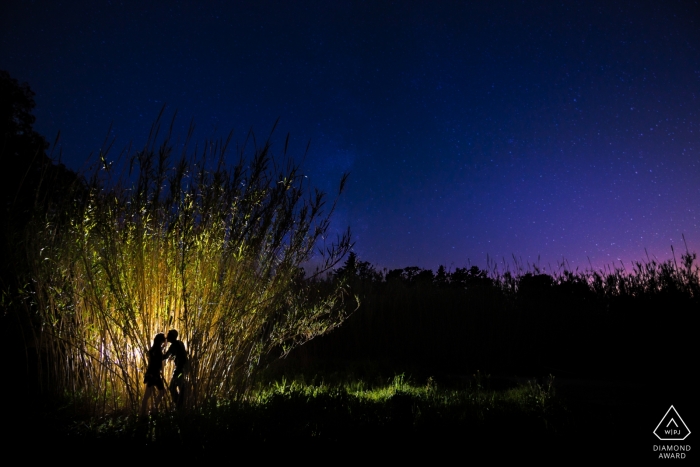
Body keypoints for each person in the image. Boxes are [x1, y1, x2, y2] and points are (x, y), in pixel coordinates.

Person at [140, 332, 166, 416]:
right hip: (154, 374)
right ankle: (151, 410)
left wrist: (162, 347)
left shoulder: (154, 349)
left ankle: (146, 411)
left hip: (152, 374)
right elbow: (156, 361)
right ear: (160, 341)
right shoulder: (157, 350)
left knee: (148, 394)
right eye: (163, 339)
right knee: (159, 392)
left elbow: (153, 356)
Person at [163, 329, 188, 409]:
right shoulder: (180, 343)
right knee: (181, 387)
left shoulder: (174, 345)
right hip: (183, 368)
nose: (167, 336)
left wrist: (154, 354)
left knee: (172, 387)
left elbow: (165, 356)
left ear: (172, 336)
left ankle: (179, 406)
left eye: (169, 334)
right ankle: (181, 406)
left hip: (179, 369)